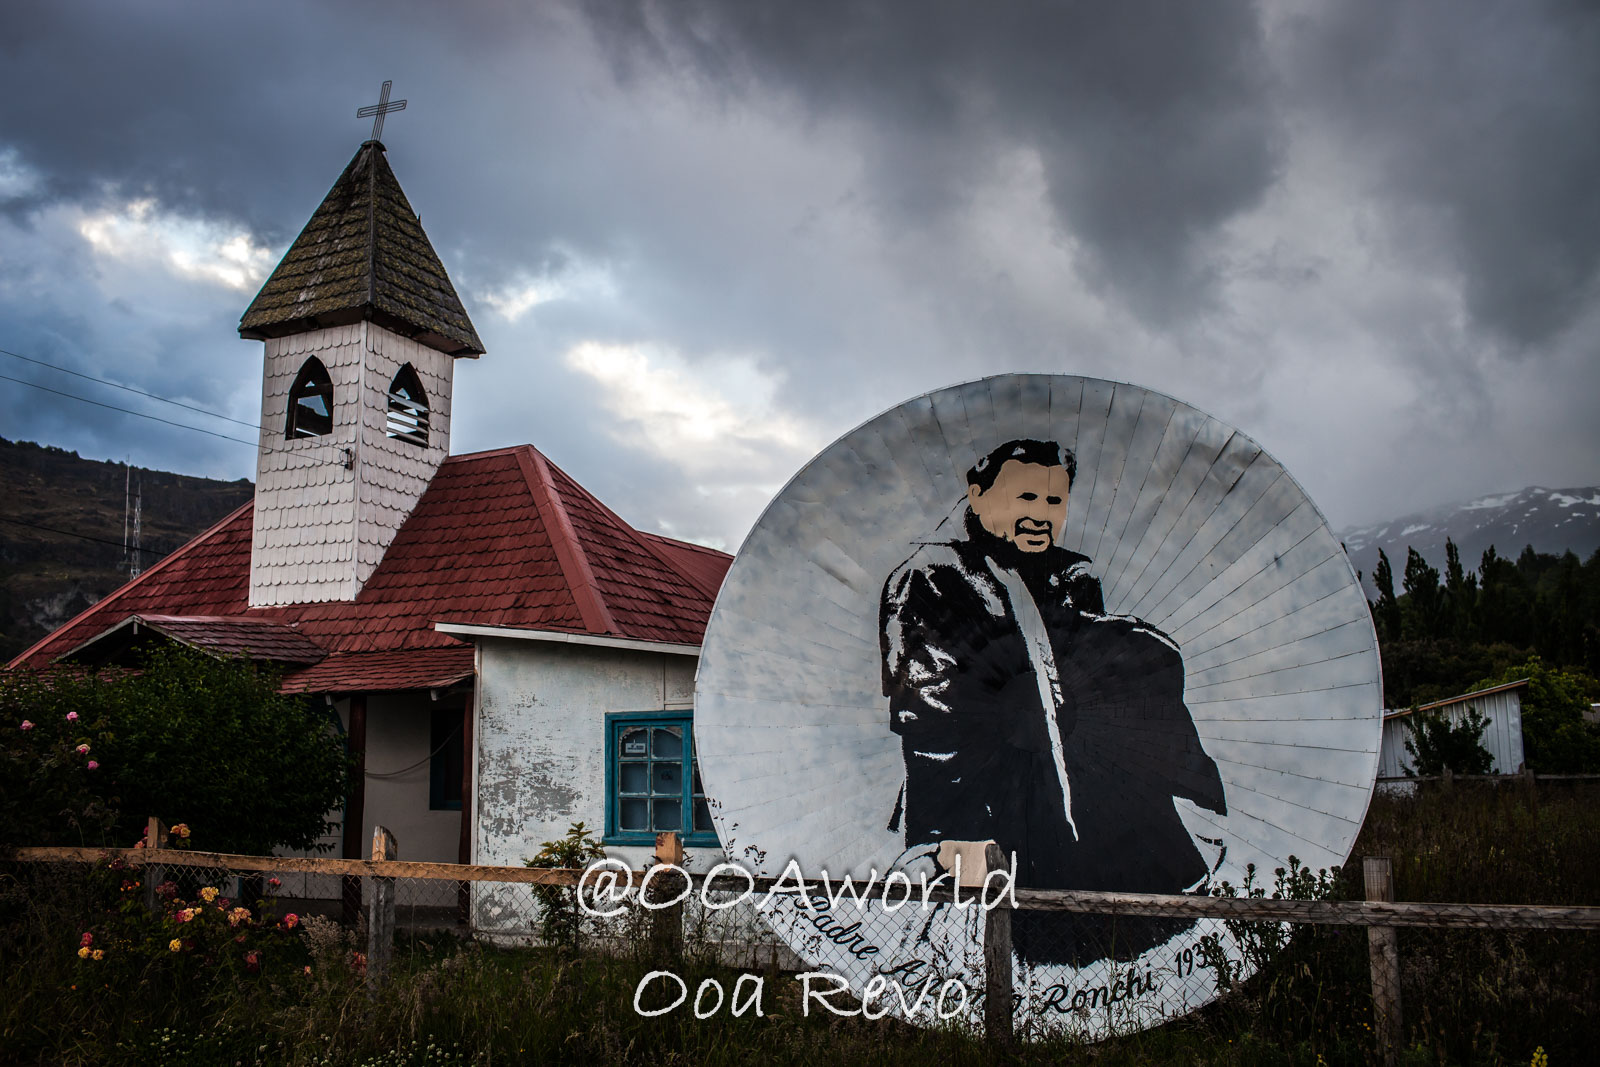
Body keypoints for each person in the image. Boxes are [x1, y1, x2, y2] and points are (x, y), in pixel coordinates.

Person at [879, 439, 1227, 964]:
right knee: (1016, 939)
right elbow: (932, 718)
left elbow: (1093, 687)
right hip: (988, 796)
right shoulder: (933, 576)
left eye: (1053, 502)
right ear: (977, 495)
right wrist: (945, 838)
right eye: (1024, 499)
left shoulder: (1069, 575)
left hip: (1078, 784)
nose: (1040, 516)